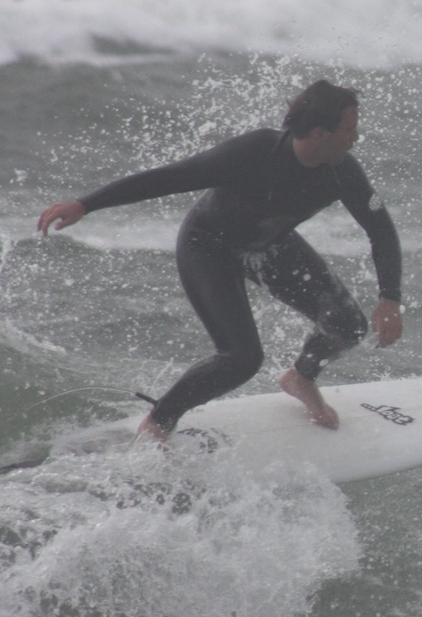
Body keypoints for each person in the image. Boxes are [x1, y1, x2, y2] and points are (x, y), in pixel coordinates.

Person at [37, 79, 402, 440]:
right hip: (208, 247)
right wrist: (86, 204)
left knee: (347, 325)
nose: (356, 137)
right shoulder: (254, 153)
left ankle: (301, 377)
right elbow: (167, 179)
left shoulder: (343, 173)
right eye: (350, 129)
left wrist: (389, 299)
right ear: (321, 133)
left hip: (268, 246)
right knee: (241, 359)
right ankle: (159, 422)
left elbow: (380, 229)